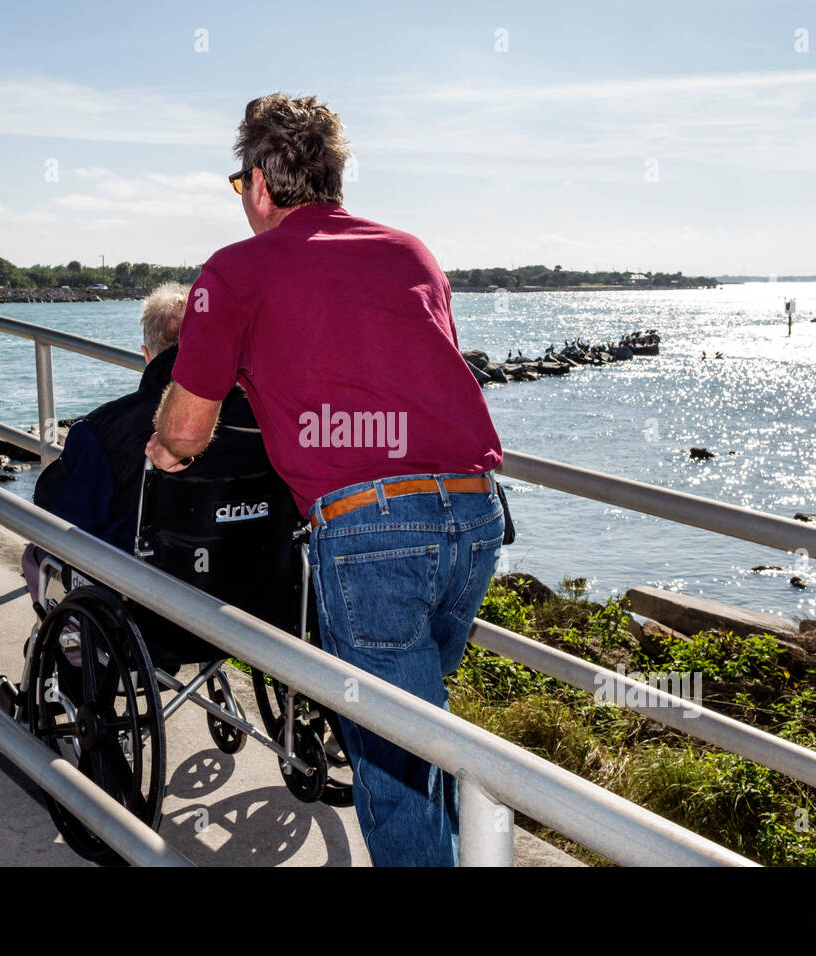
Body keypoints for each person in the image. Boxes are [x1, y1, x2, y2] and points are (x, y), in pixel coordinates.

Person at [145, 92, 504, 866]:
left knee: (392, 762)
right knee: (419, 730)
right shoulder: (410, 252)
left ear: (260, 184)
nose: (241, 201)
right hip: (474, 519)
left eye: (238, 185)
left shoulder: (237, 271)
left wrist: (162, 451)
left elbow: (182, 433)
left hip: (373, 532)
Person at [25, 282, 274, 599]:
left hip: (149, 604)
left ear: (146, 355)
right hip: (258, 596)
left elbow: (66, 521)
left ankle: (74, 646)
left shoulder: (101, 430)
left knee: (36, 553)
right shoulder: (263, 420)